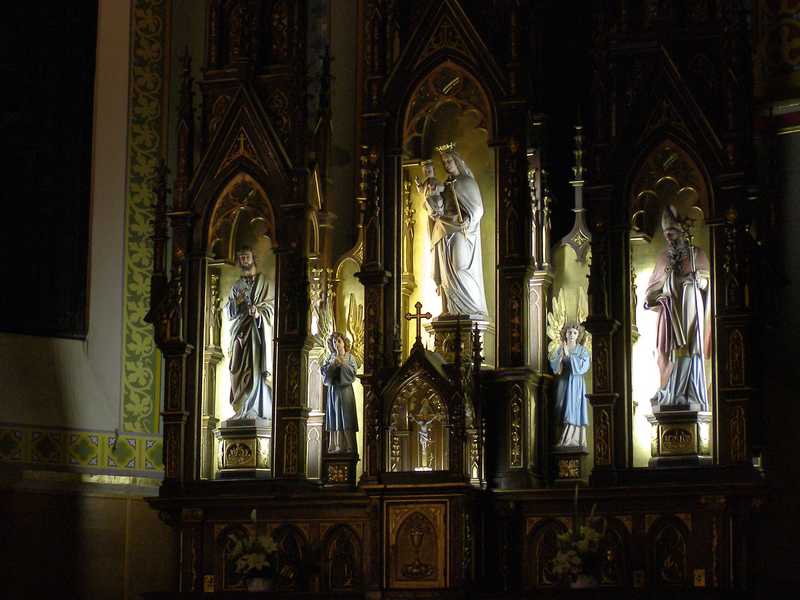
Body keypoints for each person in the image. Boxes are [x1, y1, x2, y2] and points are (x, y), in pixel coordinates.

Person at [644, 205, 711, 410]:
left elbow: (709, 284)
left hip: (691, 309)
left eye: (672, 231)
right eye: (666, 233)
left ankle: (691, 393)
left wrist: (700, 281)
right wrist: (659, 297)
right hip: (671, 314)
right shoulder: (663, 258)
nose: (668, 237)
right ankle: (671, 392)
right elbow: (651, 292)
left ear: (682, 231)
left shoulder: (696, 254)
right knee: (672, 352)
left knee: (691, 349)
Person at [424, 144, 488, 317]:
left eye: (449, 161)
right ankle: (449, 309)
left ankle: (469, 308)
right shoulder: (444, 185)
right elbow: (438, 208)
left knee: (459, 268)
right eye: (444, 162)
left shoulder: (466, 182)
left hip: (460, 230)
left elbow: (478, 209)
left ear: (457, 161)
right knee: (445, 273)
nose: (446, 165)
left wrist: (469, 219)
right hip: (443, 230)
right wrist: (432, 200)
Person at [226, 246, 274, 420]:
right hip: (240, 332)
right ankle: (241, 407)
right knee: (236, 366)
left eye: (247, 257)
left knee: (255, 367)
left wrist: (259, 312)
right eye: (241, 257)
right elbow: (229, 313)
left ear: (254, 258)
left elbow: (271, 307)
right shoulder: (236, 286)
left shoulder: (264, 282)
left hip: (257, 334)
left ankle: (255, 407)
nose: (244, 260)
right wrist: (236, 302)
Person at [549, 325, 590, 448]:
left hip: (576, 383)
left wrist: (570, 357)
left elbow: (584, 365)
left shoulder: (582, 350)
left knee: (573, 408)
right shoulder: (561, 348)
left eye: (575, 333)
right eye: (569, 332)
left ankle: (572, 439)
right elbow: (554, 365)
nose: (572, 335)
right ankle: (561, 436)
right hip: (563, 380)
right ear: (565, 334)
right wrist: (561, 357)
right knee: (560, 405)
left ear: (578, 336)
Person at [321, 332, 359, 454]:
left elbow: (353, 373)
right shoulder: (330, 358)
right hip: (334, 392)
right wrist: (333, 365)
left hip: (346, 391)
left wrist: (342, 364)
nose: (336, 344)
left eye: (339, 341)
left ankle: (349, 446)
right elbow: (324, 374)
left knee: (346, 417)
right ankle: (336, 446)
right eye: (334, 342)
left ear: (344, 343)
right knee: (335, 417)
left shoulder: (350, 357)